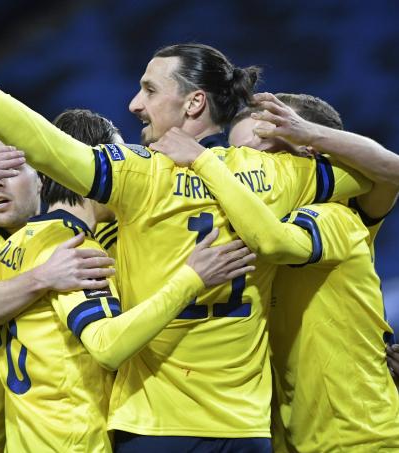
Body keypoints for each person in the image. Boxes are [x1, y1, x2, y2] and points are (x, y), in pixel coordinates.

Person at [0, 28, 372, 451]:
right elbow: (382, 174)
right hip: (246, 428)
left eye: (150, 90)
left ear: (194, 101)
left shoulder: (136, 176)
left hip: (154, 424)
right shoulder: (278, 176)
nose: (135, 104)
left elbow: (40, 141)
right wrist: (316, 138)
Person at [0, 108, 255, 452]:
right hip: (75, 442)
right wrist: (192, 279)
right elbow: (107, 346)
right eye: (117, 167)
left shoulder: (13, 246)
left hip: (27, 439)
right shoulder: (75, 251)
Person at [151, 93, 399, 451]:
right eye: (239, 157)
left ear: (311, 152)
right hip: (289, 439)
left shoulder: (340, 215)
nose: (250, 169)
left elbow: (392, 171)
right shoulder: (235, 231)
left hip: (359, 439)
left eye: (266, 152)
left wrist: (309, 133)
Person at [0, 127, 116, 453]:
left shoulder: (67, 238)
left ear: (41, 179)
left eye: (8, 170)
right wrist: (45, 276)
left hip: (44, 437)